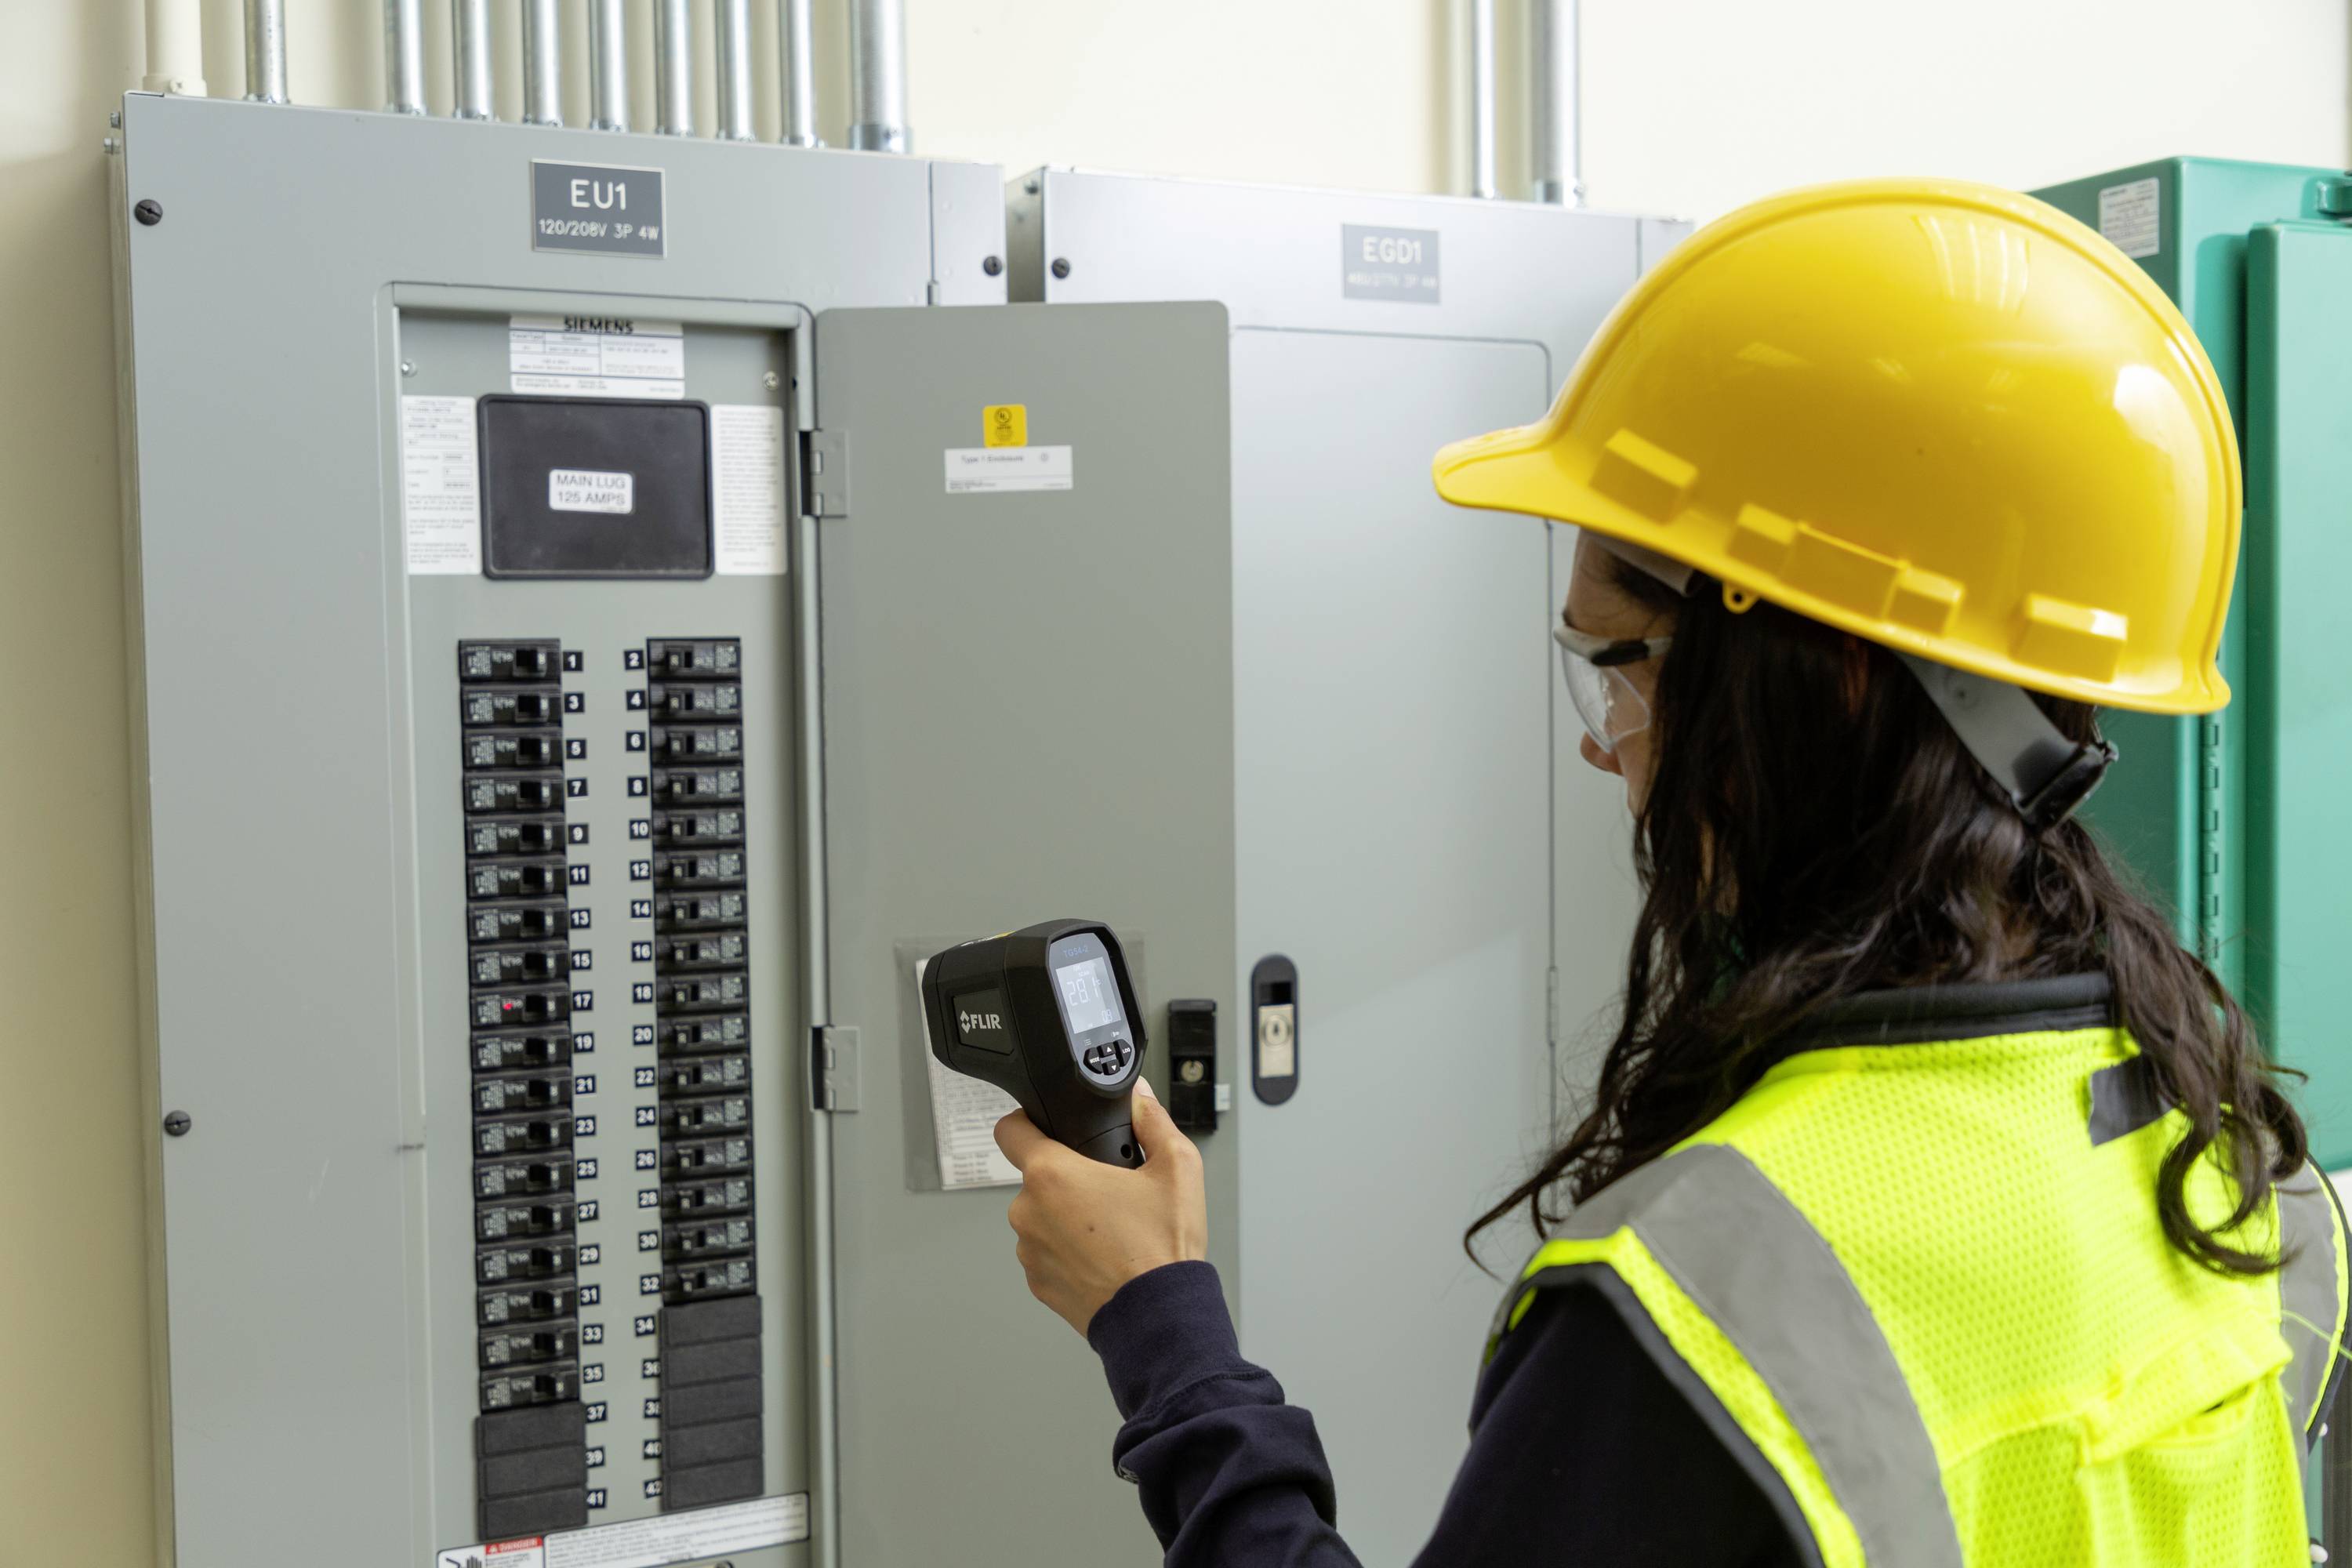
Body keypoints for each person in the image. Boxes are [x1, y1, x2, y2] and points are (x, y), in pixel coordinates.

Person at [988, 178, 2351, 1566]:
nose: (1606, 752)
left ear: (1805, 699)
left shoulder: (1717, 1302)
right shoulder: (2225, 1157)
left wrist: (1162, 1329)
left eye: (1620, 672)